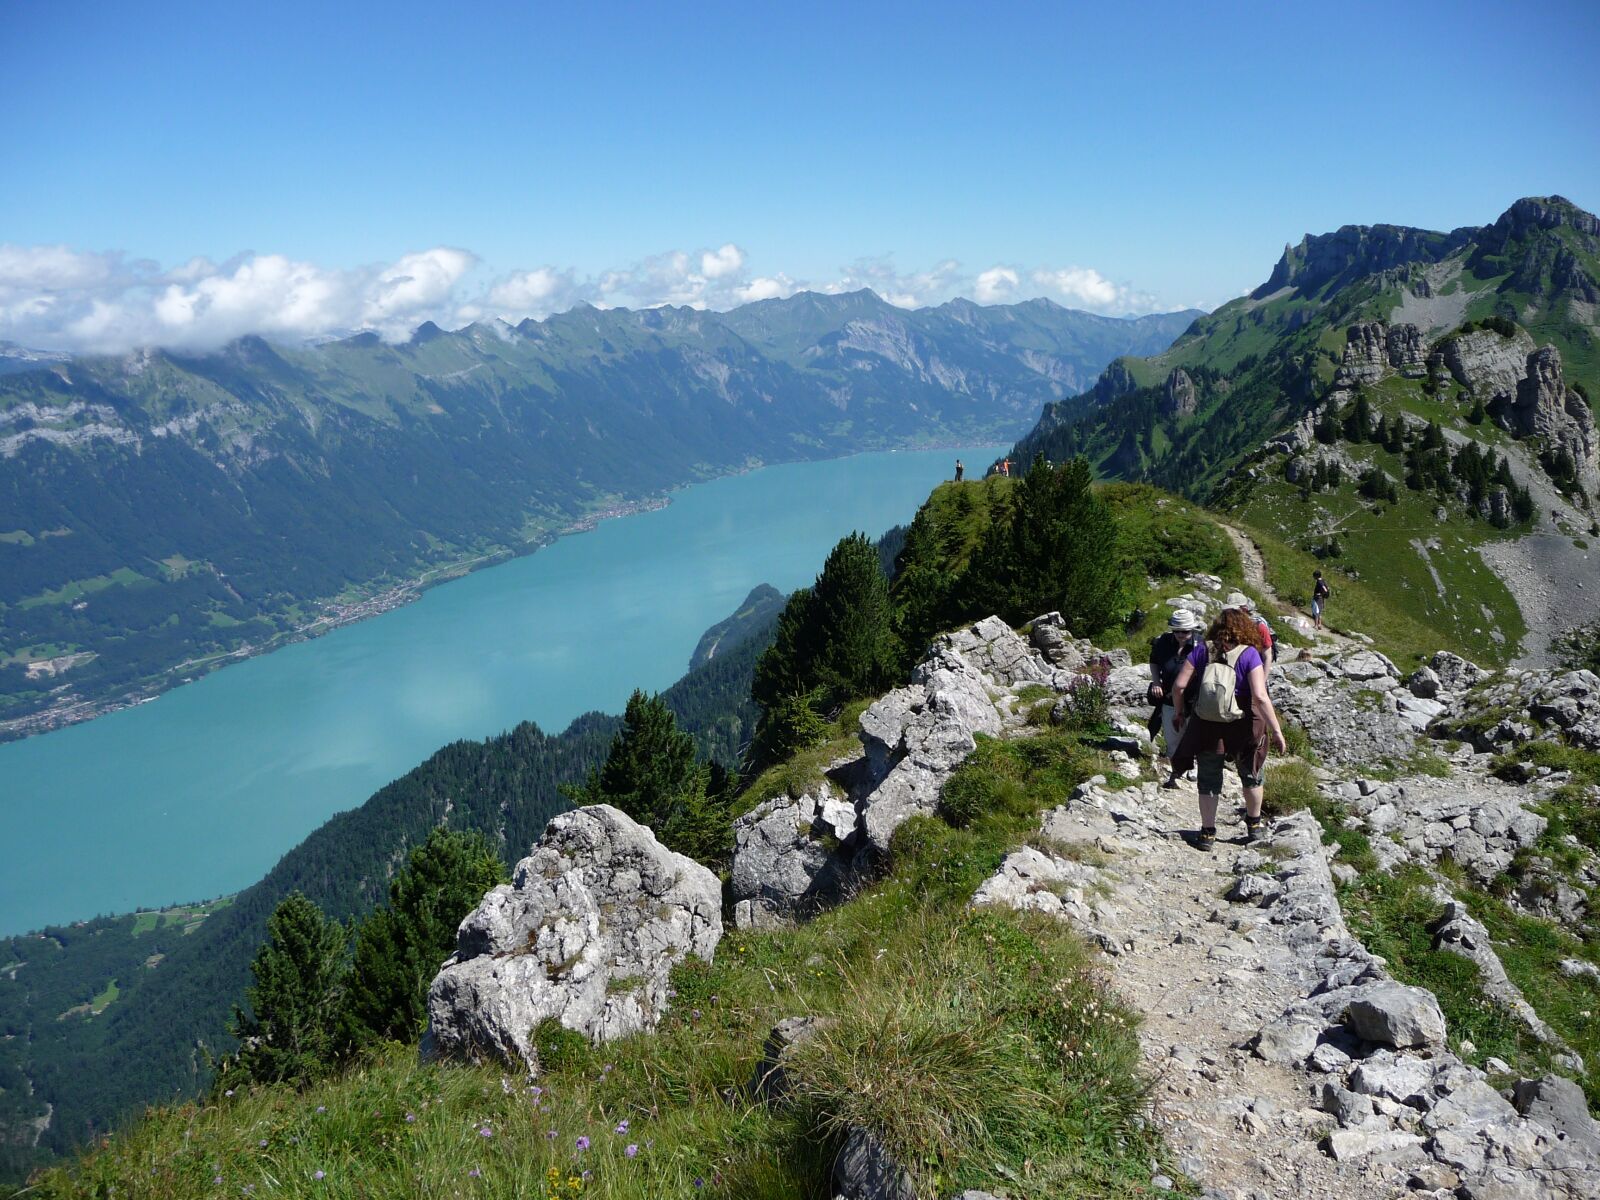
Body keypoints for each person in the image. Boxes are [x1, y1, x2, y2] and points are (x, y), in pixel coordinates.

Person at [1169, 608, 1288, 851]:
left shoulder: (1202, 649)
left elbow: (1179, 686)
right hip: (1243, 721)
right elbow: (1260, 695)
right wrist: (1276, 730)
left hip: (1207, 723)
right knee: (1251, 772)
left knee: (1209, 777)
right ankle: (1254, 826)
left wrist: (1180, 713)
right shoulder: (1250, 654)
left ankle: (1207, 834)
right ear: (1245, 628)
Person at [1148, 609, 1202, 760]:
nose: (1180, 635)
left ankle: (1193, 766)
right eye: (1176, 631)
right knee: (1172, 736)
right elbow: (1154, 661)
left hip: (1193, 700)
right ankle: (1175, 767)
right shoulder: (1163, 642)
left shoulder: (1201, 646)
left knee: (1193, 735)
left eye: (1184, 631)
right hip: (1169, 698)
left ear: (1192, 629)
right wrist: (1156, 682)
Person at [1224, 591, 1275, 671]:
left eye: (1233, 611)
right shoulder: (1225, 626)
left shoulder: (1259, 627)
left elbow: (1267, 656)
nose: (1229, 614)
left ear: (1244, 610)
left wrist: (1262, 680)